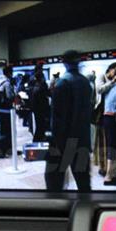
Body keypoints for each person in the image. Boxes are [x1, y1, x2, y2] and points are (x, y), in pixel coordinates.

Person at [45, 50, 92, 192]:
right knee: (83, 180)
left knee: (54, 179)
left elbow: (58, 117)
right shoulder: (85, 82)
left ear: (64, 62)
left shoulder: (62, 83)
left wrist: (55, 140)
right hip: (82, 138)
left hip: (64, 141)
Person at [93, 62, 116, 176]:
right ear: (110, 69)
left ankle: (112, 166)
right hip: (101, 114)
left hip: (112, 114)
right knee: (102, 141)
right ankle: (102, 166)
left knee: (112, 141)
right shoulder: (101, 77)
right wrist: (112, 82)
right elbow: (99, 89)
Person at [0, 65, 16, 156]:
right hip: (7, 108)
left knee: (3, 128)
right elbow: (9, 96)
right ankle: (9, 148)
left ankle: (3, 147)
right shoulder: (7, 83)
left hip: (1, 108)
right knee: (8, 129)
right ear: (9, 73)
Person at [29, 63, 51, 142]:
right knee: (41, 125)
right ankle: (37, 140)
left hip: (36, 108)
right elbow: (46, 94)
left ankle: (38, 139)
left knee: (39, 125)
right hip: (41, 108)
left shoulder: (34, 85)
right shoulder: (40, 87)